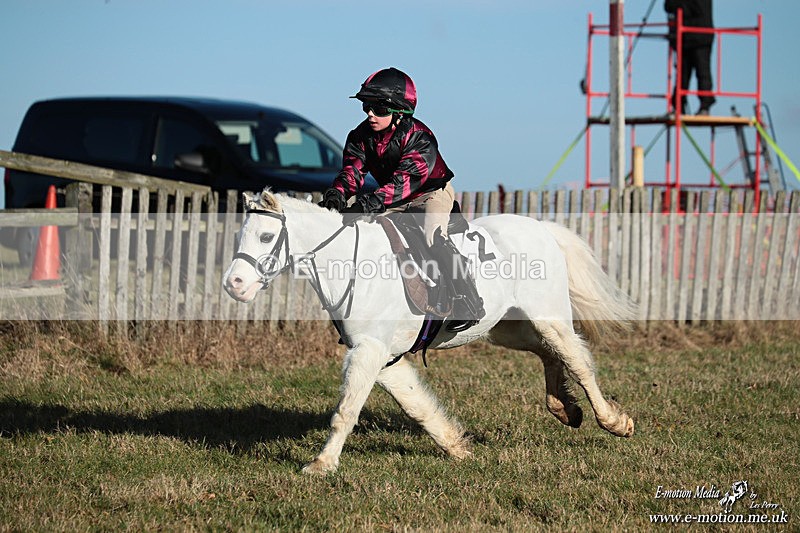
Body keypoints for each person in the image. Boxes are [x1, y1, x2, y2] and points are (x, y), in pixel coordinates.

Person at [319, 67, 485, 331]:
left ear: (399, 112)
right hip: (393, 197)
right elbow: (352, 172)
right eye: (366, 107)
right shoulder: (359, 136)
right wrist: (337, 195)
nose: (371, 114)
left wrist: (368, 203)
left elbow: (404, 182)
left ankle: (468, 302)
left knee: (433, 237)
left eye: (379, 109)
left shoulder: (420, 137)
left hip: (431, 193)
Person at [665, 0, 715, 115]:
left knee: (702, 73)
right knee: (682, 75)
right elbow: (668, 6)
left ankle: (705, 105)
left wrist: (678, 5)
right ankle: (679, 105)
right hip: (685, 37)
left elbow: (695, 8)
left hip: (700, 36)